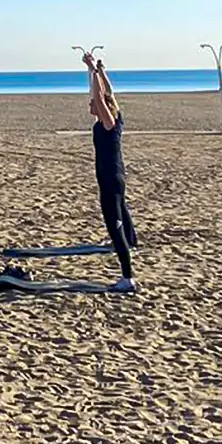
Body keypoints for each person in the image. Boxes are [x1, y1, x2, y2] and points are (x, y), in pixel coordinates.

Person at [85, 53, 137, 292]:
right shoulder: (116, 117)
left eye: (92, 103)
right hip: (115, 178)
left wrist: (93, 70)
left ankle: (128, 278)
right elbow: (109, 94)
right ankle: (131, 241)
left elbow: (101, 96)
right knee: (121, 218)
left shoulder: (108, 123)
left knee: (114, 229)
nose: (90, 104)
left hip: (111, 181)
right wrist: (100, 71)